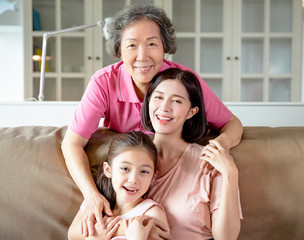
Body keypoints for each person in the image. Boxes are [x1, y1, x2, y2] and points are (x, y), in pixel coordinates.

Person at [61, 3, 243, 237]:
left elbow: (232, 123)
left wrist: (221, 149)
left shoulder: (182, 83)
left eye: (152, 44)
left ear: (165, 47)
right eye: (132, 45)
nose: (142, 56)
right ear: (119, 50)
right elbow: (72, 143)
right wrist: (91, 196)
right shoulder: (104, 83)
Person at [141, 68, 242, 239]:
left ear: (192, 112)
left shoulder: (210, 162)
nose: (164, 107)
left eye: (177, 101)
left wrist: (231, 174)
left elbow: (226, 237)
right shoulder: (129, 155)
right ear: (149, 101)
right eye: (158, 97)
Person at [68, 131, 169, 240]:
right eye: (125, 169)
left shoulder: (151, 213)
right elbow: (72, 234)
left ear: (153, 177)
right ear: (108, 170)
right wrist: (120, 230)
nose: (133, 180)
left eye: (144, 172)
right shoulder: (97, 202)